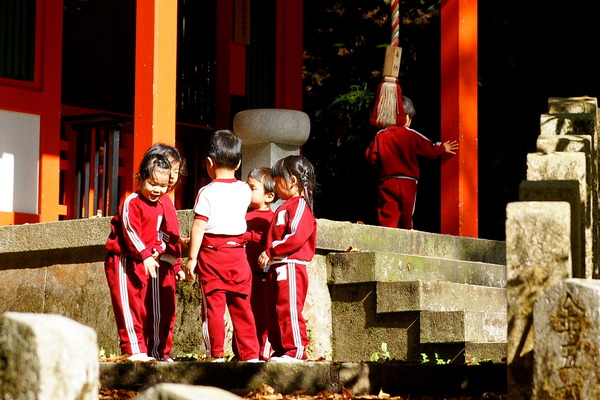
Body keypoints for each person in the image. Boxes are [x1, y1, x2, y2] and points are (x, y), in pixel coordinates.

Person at [184, 129, 260, 362]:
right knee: (243, 308)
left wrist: (192, 258)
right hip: (238, 256)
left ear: (210, 162)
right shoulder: (245, 189)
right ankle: (250, 355)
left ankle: (215, 354)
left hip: (212, 256)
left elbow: (199, 226)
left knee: (214, 309)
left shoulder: (206, 192)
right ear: (238, 163)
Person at [104, 152, 172, 362]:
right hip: (124, 260)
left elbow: (162, 232)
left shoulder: (161, 205)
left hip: (147, 260)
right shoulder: (132, 202)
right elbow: (129, 230)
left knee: (146, 307)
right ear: (141, 178)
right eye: (152, 183)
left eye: (162, 186)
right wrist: (145, 254)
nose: (157, 190)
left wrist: (158, 248)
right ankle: (133, 349)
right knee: (128, 305)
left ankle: (153, 351)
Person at [365, 96, 458, 230]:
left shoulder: (381, 135)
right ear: (406, 117)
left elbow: (371, 156)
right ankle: (407, 231)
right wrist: (443, 147)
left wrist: (383, 166)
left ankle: (387, 233)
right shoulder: (411, 134)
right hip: (408, 180)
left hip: (387, 179)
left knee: (388, 210)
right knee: (407, 211)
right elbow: (429, 148)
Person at [258, 155, 318, 362]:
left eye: (277, 181)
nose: (275, 186)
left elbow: (296, 237)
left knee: (288, 308)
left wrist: (271, 252)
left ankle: (296, 350)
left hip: (291, 265)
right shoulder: (285, 206)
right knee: (273, 310)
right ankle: (281, 349)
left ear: (292, 181)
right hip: (277, 266)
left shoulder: (299, 206)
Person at [143, 143, 189, 363]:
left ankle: (163, 351)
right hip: (156, 262)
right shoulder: (150, 201)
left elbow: (171, 234)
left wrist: (177, 263)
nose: (172, 176)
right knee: (155, 310)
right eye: (168, 169)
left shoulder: (166, 201)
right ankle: (154, 351)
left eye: (176, 171)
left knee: (168, 310)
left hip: (168, 264)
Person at [242, 167, 277, 360]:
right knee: (244, 314)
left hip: (262, 274)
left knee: (263, 316)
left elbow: (268, 242)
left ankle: (262, 354)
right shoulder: (242, 214)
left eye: (252, 188)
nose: (247, 191)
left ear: (269, 196)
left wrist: (246, 236)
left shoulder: (272, 219)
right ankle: (244, 353)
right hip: (243, 274)